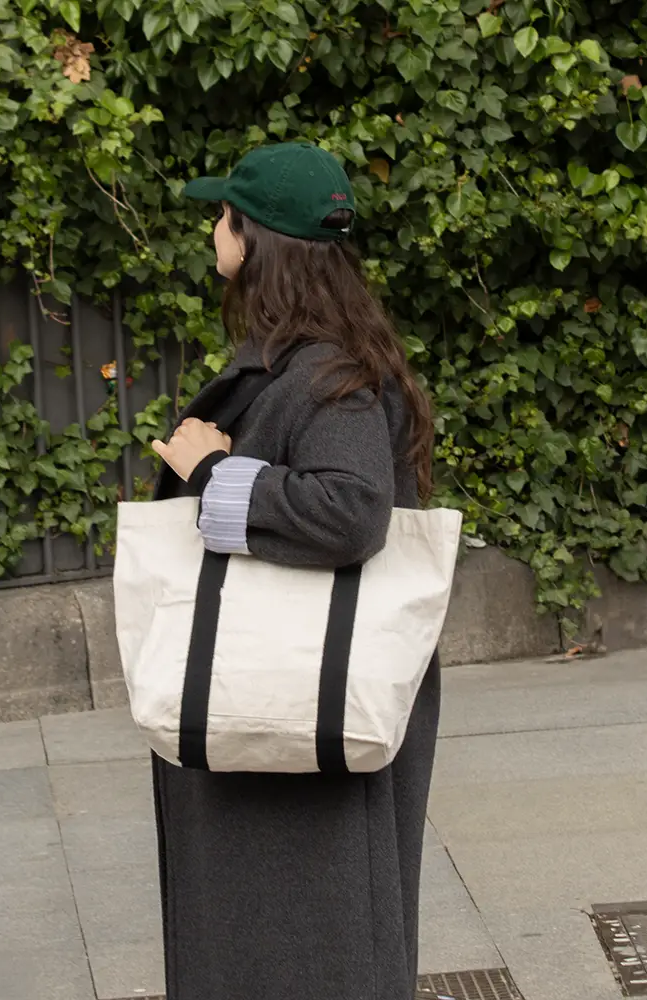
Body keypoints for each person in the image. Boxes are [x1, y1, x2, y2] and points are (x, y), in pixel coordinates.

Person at [147, 141, 437, 1000]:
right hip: (281, 704)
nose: (212, 227)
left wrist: (212, 476)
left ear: (255, 239)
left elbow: (351, 509)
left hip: (290, 705)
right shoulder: (320, 353)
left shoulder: (328, 374)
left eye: (223, 214)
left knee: (307, 947)